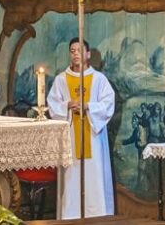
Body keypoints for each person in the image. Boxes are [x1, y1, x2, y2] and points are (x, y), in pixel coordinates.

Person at [47, 37, 115, 219]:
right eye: (72, 50)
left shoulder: (99, 79)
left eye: (79, 50)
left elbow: (108, 104)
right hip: (70, 136)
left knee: (95, 180)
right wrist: (67, 106)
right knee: (71, 179)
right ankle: (71, 217)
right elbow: (52, 104)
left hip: (93, 136)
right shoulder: (61, 79)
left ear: (88, 54)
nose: (75, 53)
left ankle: (97, 217)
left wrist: (88, 106)